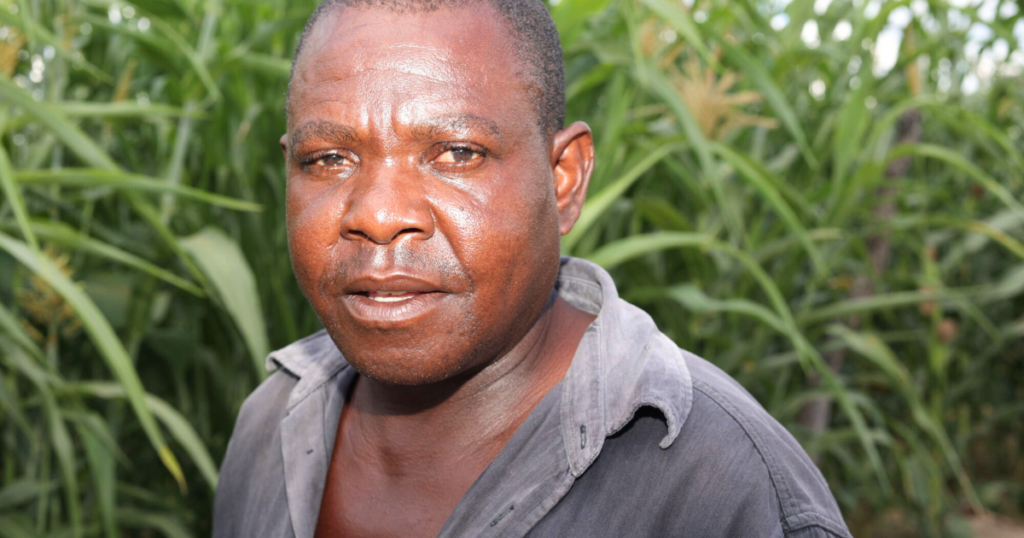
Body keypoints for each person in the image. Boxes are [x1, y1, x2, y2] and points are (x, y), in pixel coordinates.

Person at [213, 1, 853, 536]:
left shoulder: (724, 492)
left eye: (456, 153)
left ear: (563, 179)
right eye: (328, 159)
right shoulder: (270, 427)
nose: (378, 215)